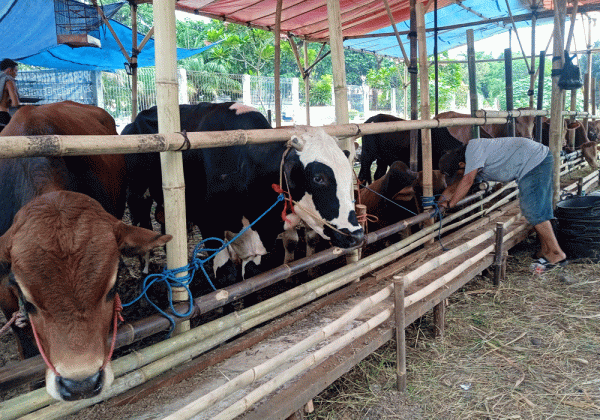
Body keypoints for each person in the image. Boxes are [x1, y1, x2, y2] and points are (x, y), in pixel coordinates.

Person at [437, 137, 567, 272]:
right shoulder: (470, 156)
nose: (460, 175)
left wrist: (451, 204)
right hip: (536, 160)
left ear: (461, 165)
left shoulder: (473, 151)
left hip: (534, 161)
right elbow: (454, 187)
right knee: (536, 208)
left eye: (459, 172)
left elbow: (467, 180)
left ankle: (556, 253)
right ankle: (546, 250)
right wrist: (440, 203)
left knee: (534, 209)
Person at [0, 58, 20, 131]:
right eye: (15, 70)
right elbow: (15, 103)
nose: (16, 74)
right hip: (3, 116)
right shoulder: (9, 80)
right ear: (9, 70)